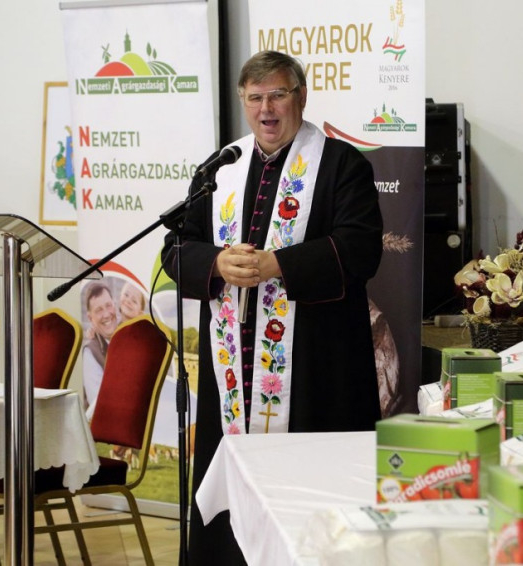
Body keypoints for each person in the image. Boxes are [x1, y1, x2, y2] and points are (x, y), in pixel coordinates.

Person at [162, 50, 383, 564]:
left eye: (277, 95)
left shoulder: (341, 164)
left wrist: (276, 264)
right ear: (243, 101)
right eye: (255, 97)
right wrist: (217, 263)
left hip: (315, 370)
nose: (266, 109)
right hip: (233, 370)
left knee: (314, 502)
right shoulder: (220, 168)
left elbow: (360, 249)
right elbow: (177, 248)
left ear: (300, 97)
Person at [81, 281, 118, 421]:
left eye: (108, 305)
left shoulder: (128, 338)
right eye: (99, 310)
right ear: (90, 318)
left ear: (114, 305)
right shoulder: (90, 353)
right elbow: (100, 409)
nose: (106, 314)